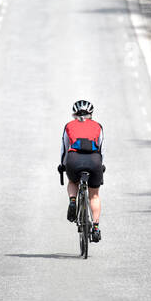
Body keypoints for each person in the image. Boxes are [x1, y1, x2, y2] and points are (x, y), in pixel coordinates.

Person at [58, 98, 104, 243]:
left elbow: (64, 148)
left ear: (74, 114)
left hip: (74, 159)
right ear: (91, 113)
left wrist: (62, 165)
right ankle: (95, 228)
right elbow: (102, 148)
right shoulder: (98, 126)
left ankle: (73, 201)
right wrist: (101, 165)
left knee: (73, 181)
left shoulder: (68, 126)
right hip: (94, 160)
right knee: (94, 195)